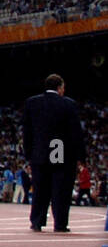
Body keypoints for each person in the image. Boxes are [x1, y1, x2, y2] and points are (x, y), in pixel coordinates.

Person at [22, 74, 85, 232]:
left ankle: (37, 221)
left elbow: (27, 132)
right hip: (62, 153)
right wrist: (81, 156)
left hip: (40, 154)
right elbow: (76, 132)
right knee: (61, 190)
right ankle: (60, 223)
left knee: (40, 190)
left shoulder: (32, 103)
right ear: (59, 87)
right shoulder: (69, 104)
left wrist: (29, 154)